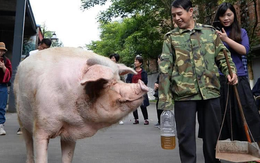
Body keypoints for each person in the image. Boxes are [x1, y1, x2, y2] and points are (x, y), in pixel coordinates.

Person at [158, 0, 238, 162]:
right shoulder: (171, 38)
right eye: (173, 15)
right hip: (183, 95)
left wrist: (231, 73)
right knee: (186, 138)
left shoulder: (210, 32)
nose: (176, 18)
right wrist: (165, 101)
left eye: (179, 14)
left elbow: (223, 56)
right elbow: (165, 70)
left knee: (212, 138)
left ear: (191, 11)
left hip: (210, 92)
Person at [214, 2, 260, 143]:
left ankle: (253, 149)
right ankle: (222, 149)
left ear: (234, 15)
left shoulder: (242, 32)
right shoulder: (213, 33)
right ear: (218, 17)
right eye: (222, 15)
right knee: (223, 115)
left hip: (239, 77)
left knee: (248, 114)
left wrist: (226, 39)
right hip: (221, 78)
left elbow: (244, 50)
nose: (226, 18)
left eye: (229, 14)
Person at [17, 38, 52, 135]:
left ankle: (40, 127)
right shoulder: (32, 54)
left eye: (47, 48)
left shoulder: (49, 57)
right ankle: (22, 127)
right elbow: (23, 66)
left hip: (42, 84)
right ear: (39, 45)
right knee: (26, 105)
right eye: (43, 47)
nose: (44, 50)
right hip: (29, 83)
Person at [126, 55, 149, 125]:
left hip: (141, 91)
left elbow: (145, 81)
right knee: (134, 105)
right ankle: (136, 119)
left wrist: (140, 83)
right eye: (135, 61)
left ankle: (146, 119)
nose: (135, 62)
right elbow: (128, 80)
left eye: (136, 61)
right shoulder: (131, 72)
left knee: (143, 105)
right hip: (133, 91)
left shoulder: (143, 72)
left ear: (140, 63)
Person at [0, 42, 12, 136]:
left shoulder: (6, 61)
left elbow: (9, 74)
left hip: (2, 86)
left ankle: (0, 125)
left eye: (2, 50)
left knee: (1, 106)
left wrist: (4, 67)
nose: (1, 52)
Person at [109, 53, 124, 125]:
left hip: (117, 86)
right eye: (111, 58)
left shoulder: (119, 67)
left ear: (116, 60)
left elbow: (122, 77)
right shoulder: (107, 67)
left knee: (118, 103)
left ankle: (119, 119)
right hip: (109, 87)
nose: (112, 59)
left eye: (114, 58)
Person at [154, 55, 163, 128]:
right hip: (159, 93)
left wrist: (158, 85)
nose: (157, 61)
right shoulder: (160, 70)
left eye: (158, 59)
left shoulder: (165, 70)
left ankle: (162, 122)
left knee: (162, 108)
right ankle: (159, 121)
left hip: (163, 93)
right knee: (158, 107)